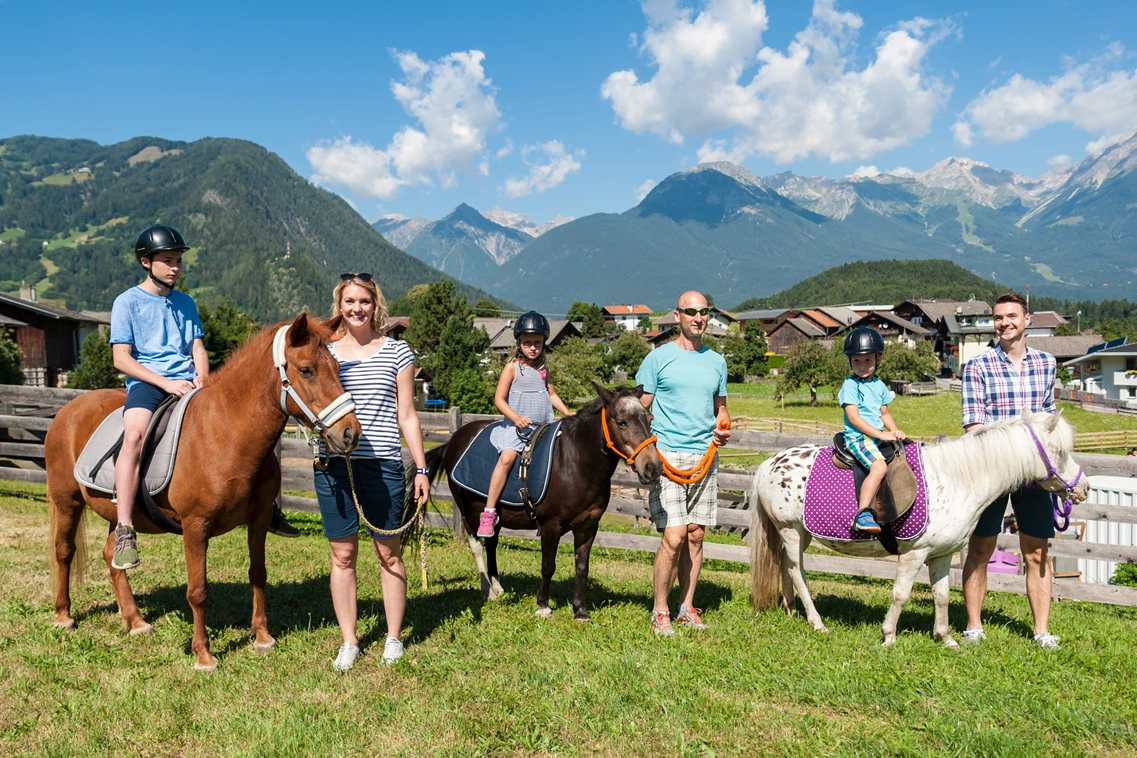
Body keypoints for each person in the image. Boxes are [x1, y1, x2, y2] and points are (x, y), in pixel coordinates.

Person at [314, 273, 430, 670]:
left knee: (388, 554)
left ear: (375, 304)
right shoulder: (326, 351)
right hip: (334, 466)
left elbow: (407, 415)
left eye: (363, 301)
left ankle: (393, 638)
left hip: (382, 464)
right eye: (349, 301)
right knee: (342, 555)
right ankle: (349, 641)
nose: (356, 309)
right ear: (339, 305)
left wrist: (422, 468)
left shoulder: (397, 352)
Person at [960, 292, 1062, 649]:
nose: (1005, 322)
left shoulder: (1047, 363)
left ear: (1027, 319)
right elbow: (973, 425)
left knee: (1037, 551)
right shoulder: (978, 366)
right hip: (992, 470)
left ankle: (1042, 631)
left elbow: (1049, 418)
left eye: (1012, 316)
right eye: (999, 317)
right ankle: (974, 626)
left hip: (1034, 475)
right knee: (980, 549)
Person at [108, 225, 208, 570]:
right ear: (145, 262)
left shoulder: (186, 302)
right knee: (134, 434)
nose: (176, 267)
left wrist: (203, 380)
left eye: (178, 260)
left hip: (190, 382)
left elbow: (197, 347)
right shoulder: (127, 302)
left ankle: (264, 506)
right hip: (148, 382)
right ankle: (124, 528)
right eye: (168, 260)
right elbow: (121, 359)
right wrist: (165, 383)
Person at [635, 291, 730, 636]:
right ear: (677, 315)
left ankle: (686, 607)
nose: (698, 318)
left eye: (704, 312)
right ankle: (660, 611)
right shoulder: (658, 359)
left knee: (696, 534)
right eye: (691, 311)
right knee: (674, 536)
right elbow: (639, 408)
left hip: (704, 455)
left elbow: (720, 408)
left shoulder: (717, 362)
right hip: (667, 456)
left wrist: (723, 427)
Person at [478, 311, 573, 538]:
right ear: (519, 343)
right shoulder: (512, 368)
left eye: (537, 343)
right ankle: (489, 511)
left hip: (543, 427)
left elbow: (551, 394)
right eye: (528, 343)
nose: (533, 347)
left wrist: (567, 413)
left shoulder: (543, 369)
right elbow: (499, 400)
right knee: (507, 458)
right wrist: (516, 417)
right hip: (516, 428)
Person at [838, 327, 907, 534]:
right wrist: (880, 434)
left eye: (868, 360)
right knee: (879, 467)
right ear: (850, 361)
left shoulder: (879, 385)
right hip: (859, 438)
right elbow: (853, 418)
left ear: (879, 359)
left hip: (876, 438)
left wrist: (894, 431)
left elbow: (884, 414)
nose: (862, 366)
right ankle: (863, 513)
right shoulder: (850, 385)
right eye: (856, 361)